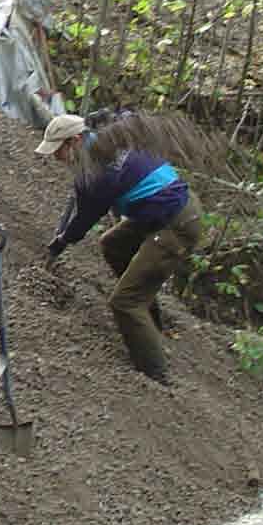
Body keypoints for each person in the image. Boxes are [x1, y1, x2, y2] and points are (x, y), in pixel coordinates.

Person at [36, 111, 203, 387]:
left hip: (176, 223)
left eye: (58, 151)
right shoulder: (107, 142)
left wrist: (60, 244)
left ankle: (157, 376)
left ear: (75, 141)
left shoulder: (96, 173)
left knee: (123, 302)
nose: (56, 158)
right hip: (167, 210)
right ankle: (150, 321)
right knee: (112, 243)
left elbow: (84, 218)